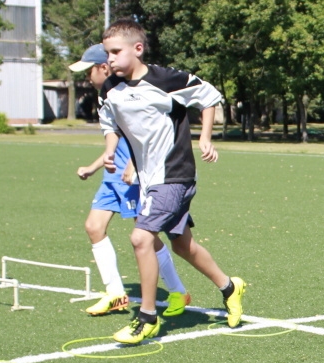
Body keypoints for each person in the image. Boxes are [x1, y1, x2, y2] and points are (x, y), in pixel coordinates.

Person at [97, 19, 245, 343]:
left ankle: (148, 317)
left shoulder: (166, 79)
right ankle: (230, 286)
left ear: (138, 49)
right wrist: (111, 151)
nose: (109, 59)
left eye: (115, 52)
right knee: (182, 245)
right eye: (107, 52)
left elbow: (208, 97)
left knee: (141, 239)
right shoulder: (110, 89)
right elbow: (110, 123)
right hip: (149, 179)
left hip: (175, 174)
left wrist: (205, 137)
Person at [70, 43, 191, 318]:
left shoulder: (128, 91)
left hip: (133, 177)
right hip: (113, 176)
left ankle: (177, 290)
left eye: (89, 71)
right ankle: (115, 294)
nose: (88, 78)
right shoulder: (108, 96)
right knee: (93, 226)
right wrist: (93, 167)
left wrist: (133, 168)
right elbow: (114, 140)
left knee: (146, 237)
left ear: (103, 67)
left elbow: (142, 136)